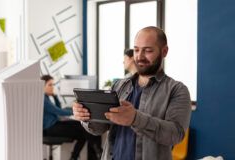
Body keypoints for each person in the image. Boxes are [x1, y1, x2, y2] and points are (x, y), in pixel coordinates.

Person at [72, 26, 192, 160]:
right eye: (136, 50)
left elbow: (175, 135)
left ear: (164, 51)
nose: (139, 56)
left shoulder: (177, 90)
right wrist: (87, 116)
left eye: (148, 50)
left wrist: (135, 119)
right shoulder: (119, 86)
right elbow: (100, 128)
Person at [41, 75, 102, 160]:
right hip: (50, 128)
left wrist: (55, 97)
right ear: (42, 86)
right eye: (50, 85)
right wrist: (76, 111)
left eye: (53, 85)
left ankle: (76, 157)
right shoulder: (42, 98)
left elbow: (59, 108)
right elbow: (58, 111)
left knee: (84, 129)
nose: (53, 87)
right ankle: (97, 152)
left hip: (55, 124)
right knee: (84, 130)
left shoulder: (46, 97)